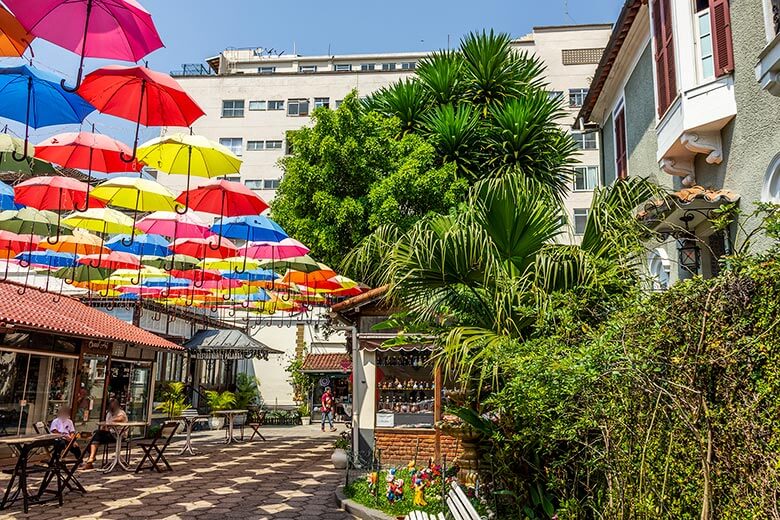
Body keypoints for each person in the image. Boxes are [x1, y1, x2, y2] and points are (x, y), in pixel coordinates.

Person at [83, 399, 127, 469]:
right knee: (94, 436)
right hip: (110, 434)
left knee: (96, 436)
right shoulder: (109, 413)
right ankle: (91, 459)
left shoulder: (121, 413)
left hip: (119, 435)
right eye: (110, 407)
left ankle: (91, 459)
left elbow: (120, 418)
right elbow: (105, 427)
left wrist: (110, 421)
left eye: (113, 407)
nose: (112, 409)